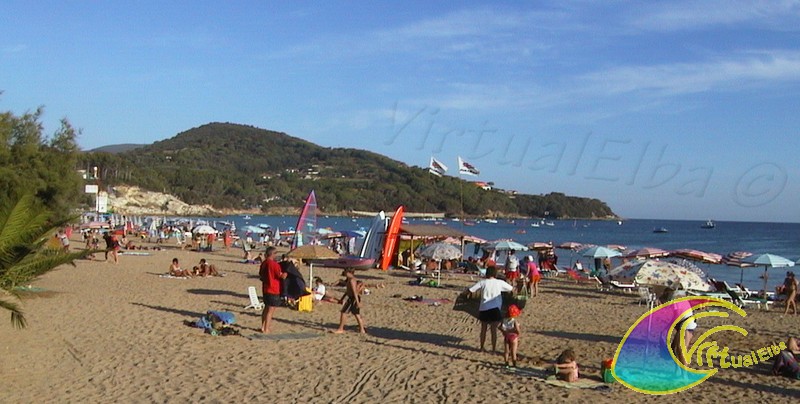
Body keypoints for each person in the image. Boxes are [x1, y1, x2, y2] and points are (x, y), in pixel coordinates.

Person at [467, 266, 513, 352]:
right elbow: (511, 289)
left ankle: (481, 347)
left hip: (484, 308)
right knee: (493, 330)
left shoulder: (483, 282)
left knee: (483, 329)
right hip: (495, 309)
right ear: (495, 273)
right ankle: (494, 349)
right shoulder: (499, 282)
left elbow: (471, 290)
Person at [259, 246, 286, 333]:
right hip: (273, 288)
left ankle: (263, 327)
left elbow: (261, 275)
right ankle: (266, 328)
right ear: (273, 254)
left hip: (266, 288)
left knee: (266, 308)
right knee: (270, 310)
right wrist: (285, 274)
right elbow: (280, 275)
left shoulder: (264, 263)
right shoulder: (274, 264)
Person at [334, 268, 367, 334]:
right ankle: (362, 330)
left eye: (346, 272)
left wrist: (357, 302)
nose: (345, 274)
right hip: (352, 298)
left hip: (353, 298)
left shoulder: (352, 280)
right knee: (356, 314)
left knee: (344, 312)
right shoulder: (350, 280)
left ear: (349, 272)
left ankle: (341, 329)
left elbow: (354, 292)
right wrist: (342, 298)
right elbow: (348, 291)